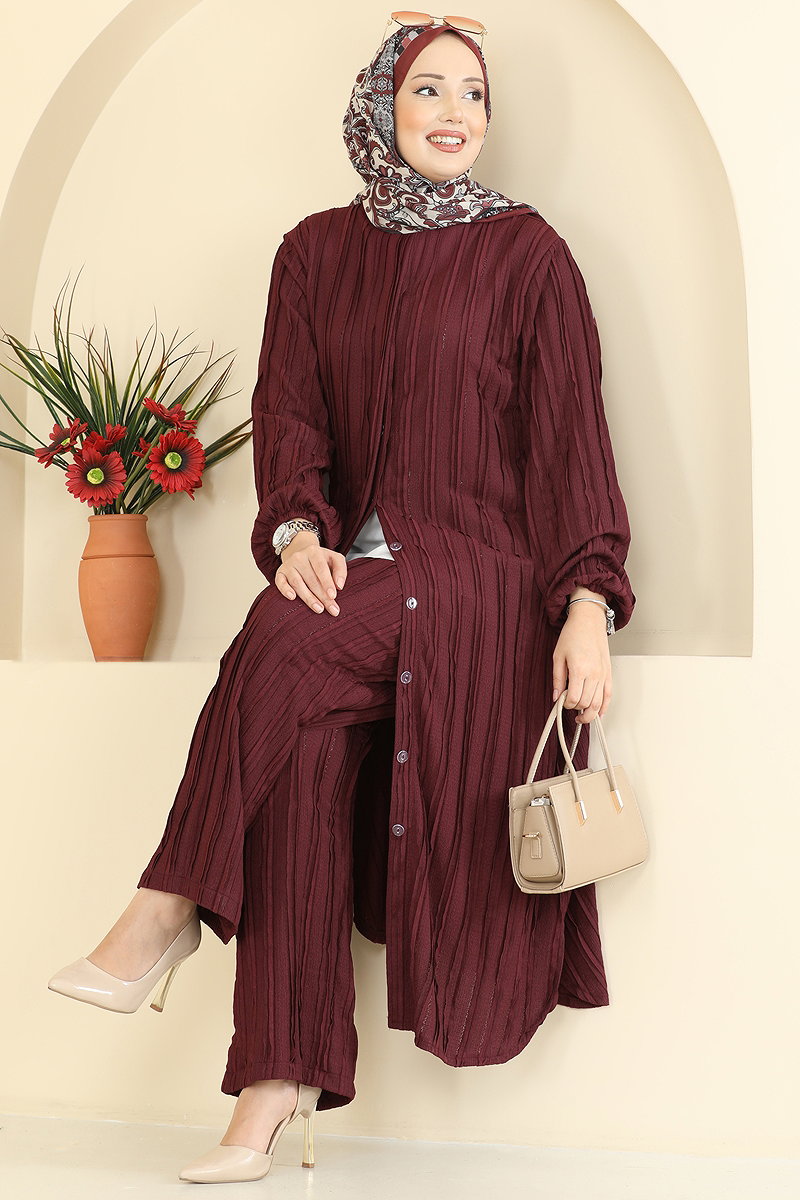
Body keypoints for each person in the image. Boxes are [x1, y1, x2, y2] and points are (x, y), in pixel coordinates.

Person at [47, 15, 636, 1185]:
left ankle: (166, 907)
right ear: (379, 106)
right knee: (298, 766)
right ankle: (272, 1093)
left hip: (472, 577)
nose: (456, 113)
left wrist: (586, 602)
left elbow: (571, 442)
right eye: (428, 90)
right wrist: (297, 531)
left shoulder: (527, 255)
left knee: (275, 641)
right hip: (352, 577)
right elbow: (291, 414)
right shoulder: (313, 253)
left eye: (472, 93)